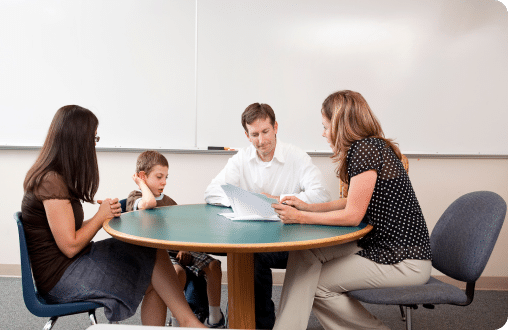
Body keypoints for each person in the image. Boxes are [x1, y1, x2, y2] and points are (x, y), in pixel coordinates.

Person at [20, 105, 206, 328]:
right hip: (61, 280)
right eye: (93, 138)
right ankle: (190, 322)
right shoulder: (51, 181)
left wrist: (104, 216)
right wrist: (100, 217)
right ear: (77, 139)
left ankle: (189, 321)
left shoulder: (55, 177)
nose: (94, 144)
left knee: (152, 260)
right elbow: (69, 245)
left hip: (69, 266)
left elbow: (69, 232)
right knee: (153, 270)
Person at [271, 90, 433, 330]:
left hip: (404, 260)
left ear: (340, 125)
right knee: (306, 253)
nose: (323, 133)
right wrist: (309, 207)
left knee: (314, 284)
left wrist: (301, 217)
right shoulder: (371, 147)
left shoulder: (365, 150)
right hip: (384, 246)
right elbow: (351, 201)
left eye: (326, 126)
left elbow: (352, 215)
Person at [204, 102, 331, 329]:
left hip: (291, 239)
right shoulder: (241, 159)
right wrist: (246, 199)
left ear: (275, 128)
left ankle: (261, 323)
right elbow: (212, 192)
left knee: (254, 257)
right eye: (254, 134)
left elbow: (321, 195)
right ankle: (247, 321)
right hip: (253, 238)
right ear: (246, 134)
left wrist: (277, 200)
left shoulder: (296, 157)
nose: (261, 141)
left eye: (265, 132)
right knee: (248, 255)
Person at [127, 150, 225, 328]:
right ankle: (176, 322)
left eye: (166, 177)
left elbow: (182, 229)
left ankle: (215, 318)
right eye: (159, 176)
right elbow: (149, 204)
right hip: (160, 255)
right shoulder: (136, 198)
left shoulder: (170, 201)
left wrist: (184, 247)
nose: (164, 182)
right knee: (177, 273)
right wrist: (141, 184)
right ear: (142, 176)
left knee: (214, 266)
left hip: (179, 248)